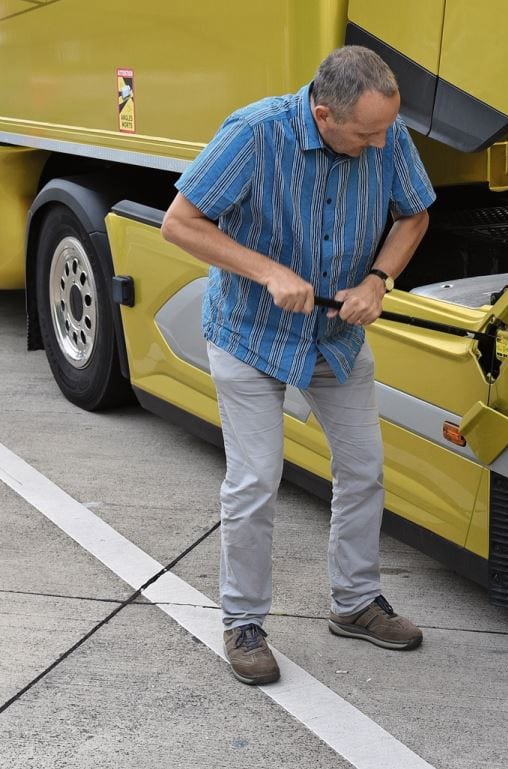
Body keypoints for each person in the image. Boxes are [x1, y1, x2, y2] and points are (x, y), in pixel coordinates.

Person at [161, 46, 434, 685]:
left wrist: (378, 280)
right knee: (257, 478)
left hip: (334, 335)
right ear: (322, 113)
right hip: (250, 333)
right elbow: (181, 223)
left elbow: (414, 213)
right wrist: (267, 270)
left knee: (363, 469)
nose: (379, 146)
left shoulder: (383, 134)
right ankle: (244, 622)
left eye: (386, 131)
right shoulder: (254, 134)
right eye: (366, 134)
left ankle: (355, 602)